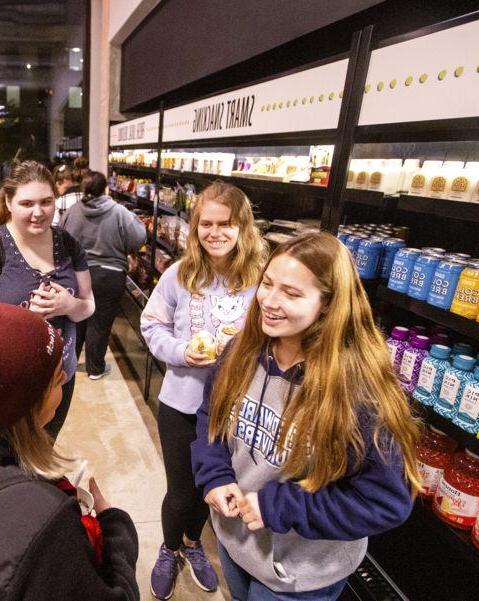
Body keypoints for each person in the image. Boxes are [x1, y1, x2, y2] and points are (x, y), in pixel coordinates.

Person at [192, 231, 422, 601]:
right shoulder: (241, 352)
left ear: (329, 305)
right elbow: (210, 418)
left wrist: (277, 506)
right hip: (236, 541)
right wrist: (215, 476)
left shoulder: (357, 392)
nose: (269, 300)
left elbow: (385, 502)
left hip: (299, 574)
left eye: (292, 293)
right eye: (267, 284)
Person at [0, 299, 140, 600]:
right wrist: (114, 528)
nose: (67, 381)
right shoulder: (43, 524)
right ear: (28, 406)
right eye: (59, 379)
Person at [141, 182, 266, 600]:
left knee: (209, 489)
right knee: (180, 491)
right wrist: (179, 351)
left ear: (242, 227)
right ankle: (169, 547)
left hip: (232, 409)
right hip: (181, 403)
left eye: (225, 224)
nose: (215, 233)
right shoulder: (181, 274)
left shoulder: (260, 280)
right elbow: (151, 324)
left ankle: (194, 545)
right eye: (206, 224)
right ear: (195, 228)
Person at [0, 160, 95, 438]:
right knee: (12, 466)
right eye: (27, 203)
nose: (38, 212)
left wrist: (69, 305)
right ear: (8, 202)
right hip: (7, 386)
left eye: (46, 202)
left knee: (46, 450)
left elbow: (89, 305)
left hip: (58, 380)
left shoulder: (68, 244)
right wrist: (24, 322)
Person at [61, 170, 146, 379]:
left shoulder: (72, 211)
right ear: (105, 188)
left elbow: (61, 238)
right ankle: (95, 368)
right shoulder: (118, 211)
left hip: (79, 273)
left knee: (77, 319)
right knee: (100, 322)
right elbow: (139, 237)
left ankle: (69, 365)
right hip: (110, 275)